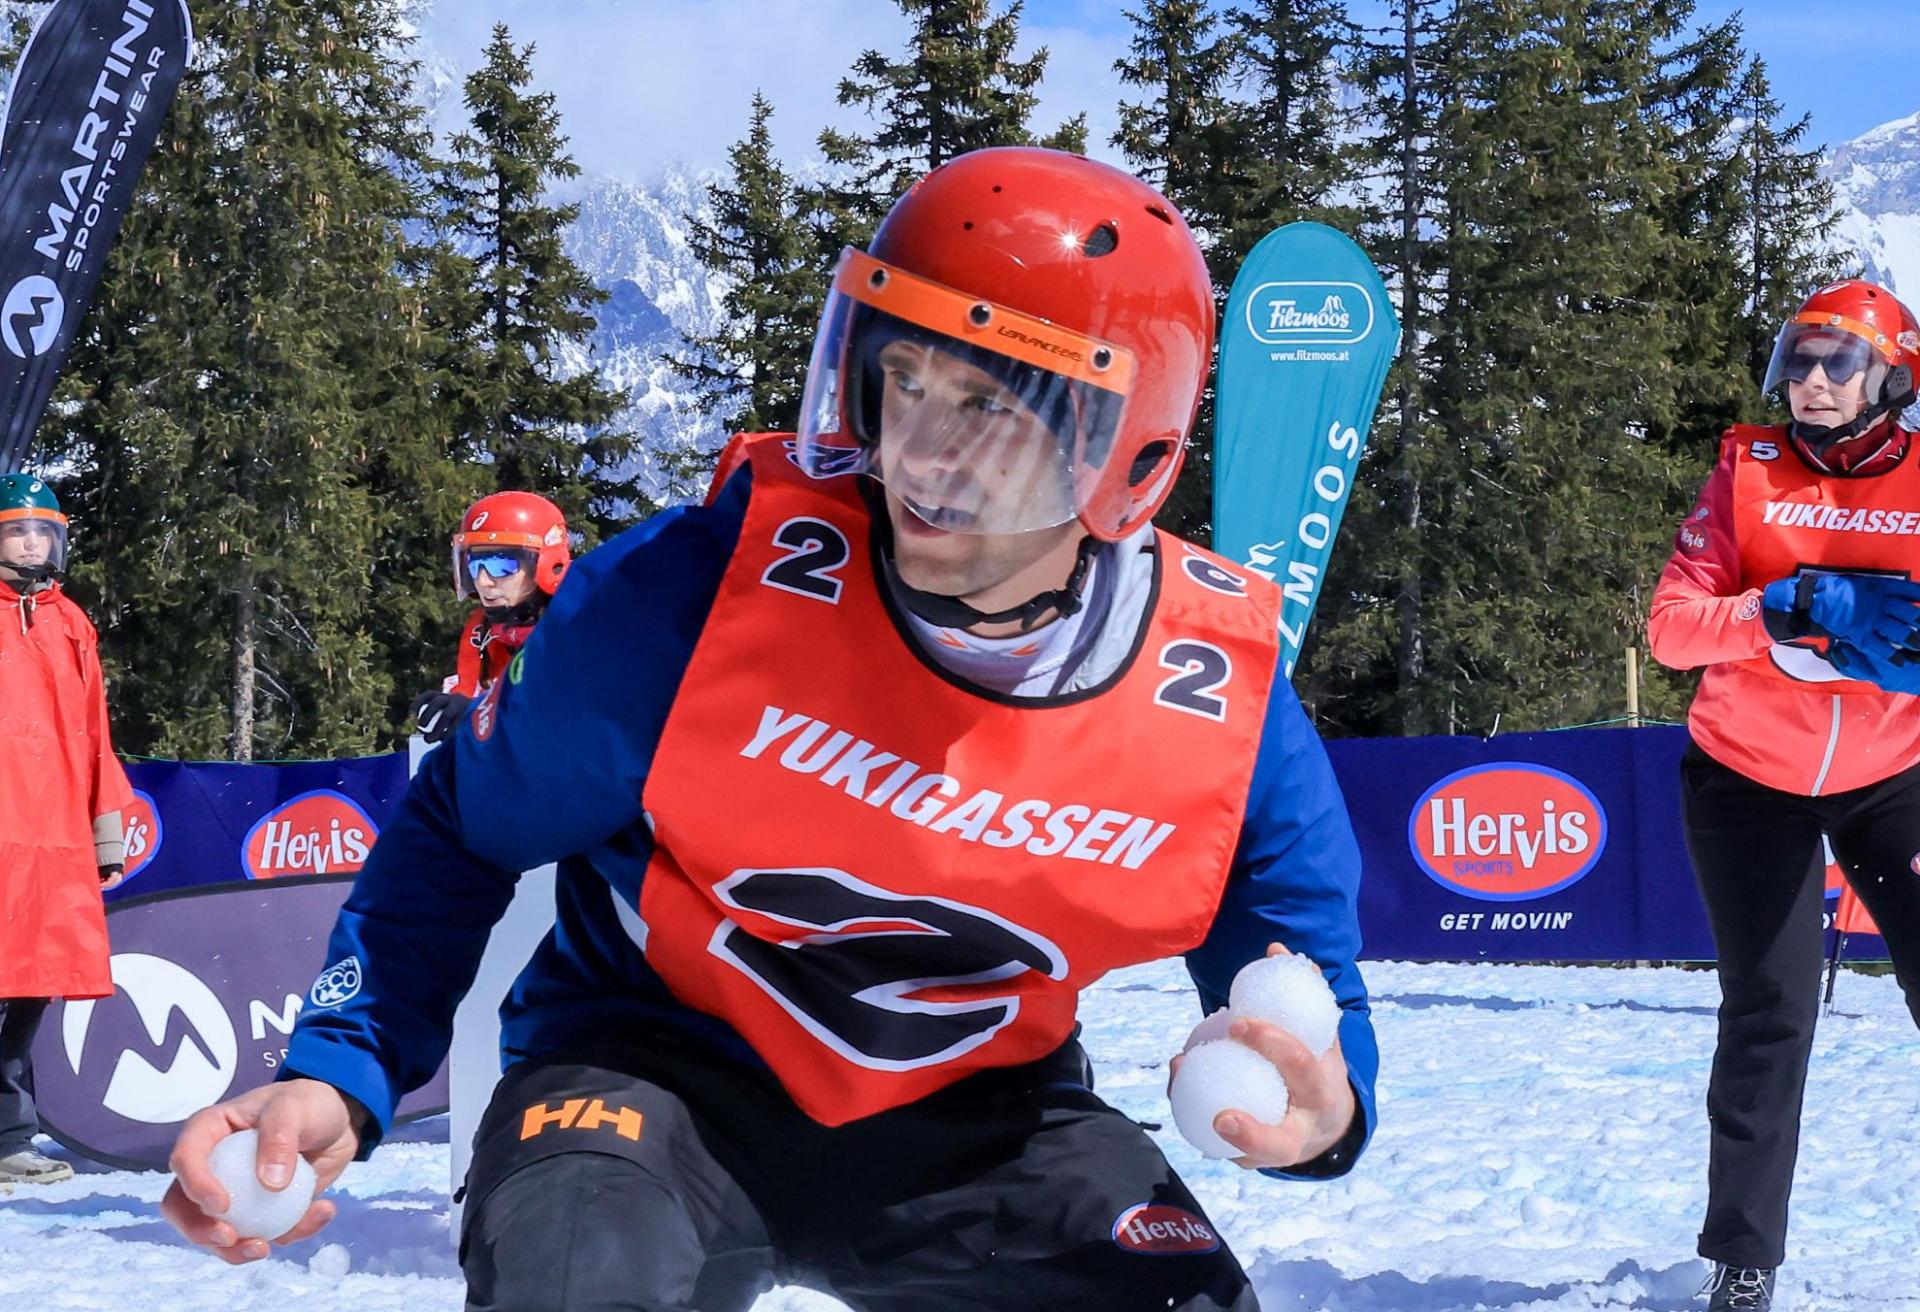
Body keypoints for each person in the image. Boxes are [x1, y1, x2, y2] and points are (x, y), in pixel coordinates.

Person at [163, 147, 1378, 1310]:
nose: (924, 456)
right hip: (647, 1075)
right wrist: (343, 1068)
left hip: (987, 1120)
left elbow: (1293, 967)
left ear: (1124, 451)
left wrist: (1325, 1107)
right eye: (906, 381)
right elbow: (467, 826)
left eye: (992, 408)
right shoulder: (694, 596)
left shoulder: (1213, 696)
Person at [1648, 278, 1920, 1312]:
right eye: (1799, 359)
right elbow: (1672, 631)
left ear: (1891, 378)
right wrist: (1777, 608)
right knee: (1771, 1012)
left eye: (1838, 362)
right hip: (1745, 778)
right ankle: (1743, 1260)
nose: (1812, 379)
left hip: (1893, 777)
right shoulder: (1746, 472)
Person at [0, 473, 132, 1187]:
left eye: (41, 531)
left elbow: (93, 733)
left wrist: (105, 836)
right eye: (17, 530)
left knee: (33, 982)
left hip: (52, 836)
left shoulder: (71, 622)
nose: (31, 543)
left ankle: (9, 1139)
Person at [409, 491, 571, 744]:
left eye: (501, 564)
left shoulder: (577, 629)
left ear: (546, 563)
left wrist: (488, 715)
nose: (483, 581)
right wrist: (457, 710)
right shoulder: (487, 633)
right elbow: (472, 691)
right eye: (475, 564)